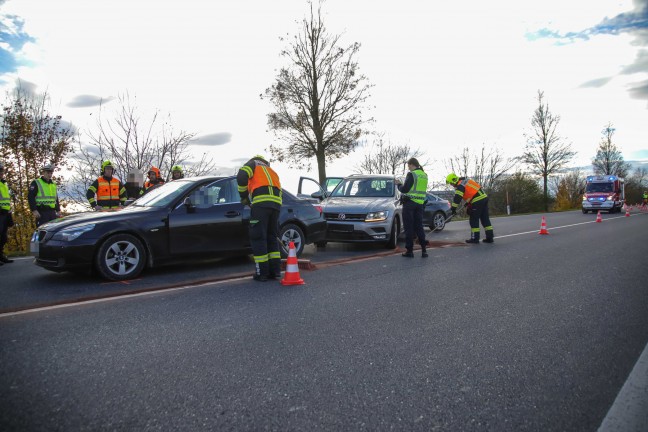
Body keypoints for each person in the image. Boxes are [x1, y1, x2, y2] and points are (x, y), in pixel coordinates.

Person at [237, 155, 282, 281]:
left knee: (258, 237)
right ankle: (275, 271)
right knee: (272, 237)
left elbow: (241, 176)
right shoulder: (271, 170)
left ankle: (262, 273)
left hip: (261, 204)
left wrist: (244, 197)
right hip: (276, 205)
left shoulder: (253, 164)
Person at [446, 173, 494, 244]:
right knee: (485, 219)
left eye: (451, 183)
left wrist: (453, 209)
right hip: (483, 198)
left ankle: (475, 239)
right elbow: (472, 192)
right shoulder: (466, 181)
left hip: (477, 200)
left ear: (454, 180)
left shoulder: (460, 186)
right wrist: (468, 202)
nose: (452, 185)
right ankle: (490, 238)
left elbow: (457, 198)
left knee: (473, 220)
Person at [396, 157, 428, 258]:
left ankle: (409, 251)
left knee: (408, 227)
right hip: (420, 204)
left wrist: (399, 185)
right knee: (419, 227)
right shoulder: (424, 175)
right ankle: (424, 250)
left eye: (408, 166)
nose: (408, 168)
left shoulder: (412, 174)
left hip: (410, 204)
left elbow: (405, 189)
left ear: (411, 164)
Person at [0, 162, 14, 265]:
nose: (1, 172)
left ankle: (0, 255)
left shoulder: (4, 183)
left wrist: (9, 209)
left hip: (5, 212)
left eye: (2, 171)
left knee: (3, 236)